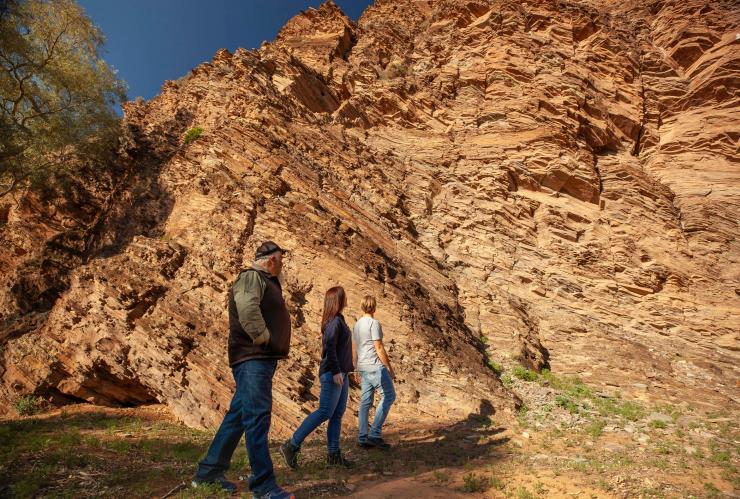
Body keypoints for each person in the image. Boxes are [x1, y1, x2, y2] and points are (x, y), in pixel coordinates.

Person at [192, 241, 294, 499]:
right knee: (257, 419)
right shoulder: (251, 277)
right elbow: (247, 309)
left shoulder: (266, 280)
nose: (283, 264)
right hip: (253, 359)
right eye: (281, 259)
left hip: (258, 360)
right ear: (271, 259)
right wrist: (264, 339)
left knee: (238, 417)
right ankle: (264, 486)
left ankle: (208, 473)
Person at [280, 286, 354, 469]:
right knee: (325, 412)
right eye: (344, 297)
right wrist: (337, 371)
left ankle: (334, 454)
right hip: (332, 373)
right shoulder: (334, 322)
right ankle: (291, 445)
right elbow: (329, 345)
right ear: (338, 301)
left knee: (337, 414)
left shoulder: (338, 319)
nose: (346, 300)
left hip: (341, 373)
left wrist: (346, 370)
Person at [352, 295, 396, 450]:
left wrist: (355, 367)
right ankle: (375, 434)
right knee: (389, 396)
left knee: (365, 402)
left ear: (362, 306)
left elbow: (355, 348)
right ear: (374, 307)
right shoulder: (374, 323)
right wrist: (389, 367)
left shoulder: (357, 325)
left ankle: (363, 437)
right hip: (375, 367)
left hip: (363, 367)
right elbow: (378, 347)